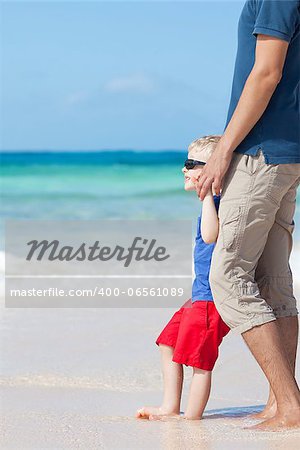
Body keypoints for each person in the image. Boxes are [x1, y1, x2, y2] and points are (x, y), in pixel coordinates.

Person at [194, 0, 300, 430]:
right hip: (288, 154)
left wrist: (223, 150)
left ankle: (290, 405)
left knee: (229, 276)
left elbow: (267, 72)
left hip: (262, 152)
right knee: (273, 279)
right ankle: (280, 403)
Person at [136, 136, 230, 421]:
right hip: (200, 294)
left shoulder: (217, 203)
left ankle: (192, 418)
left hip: (212, 300)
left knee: (199, 362)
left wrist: (206, 198)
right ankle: (169, 407)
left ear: (212, 169)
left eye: (190, 163)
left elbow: (211, 235)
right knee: (169, 343)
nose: (183, 169)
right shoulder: (211, 203)